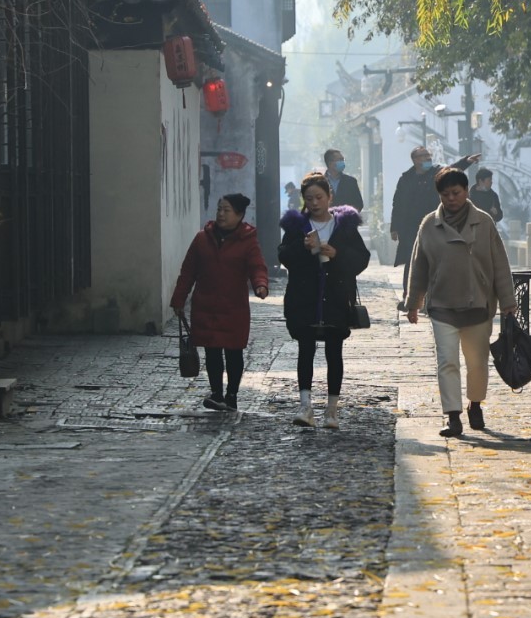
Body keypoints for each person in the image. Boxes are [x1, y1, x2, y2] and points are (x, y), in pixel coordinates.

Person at [404, 167, 518, 438]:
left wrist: (508, 302)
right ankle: (452, 416)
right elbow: (418, 265)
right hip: (442, 305)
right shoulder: (429, 225)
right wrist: (413, 302)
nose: (451, 199)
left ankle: (475, 404)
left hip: (478, 305)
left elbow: (499, 264)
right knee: (447, 362)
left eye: (456, 193)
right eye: (445, 194)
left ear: (466, 192)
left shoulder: (484, 222)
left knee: (477, 362)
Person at [279, 172, 371, 429]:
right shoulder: (297, 226)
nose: (315, 203)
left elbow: (361, 258)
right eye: (309, 199)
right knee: (305, 349)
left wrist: (337, 253)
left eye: (319, 197)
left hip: (336, 297)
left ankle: (332, 410)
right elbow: (284, 255)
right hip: (304, 297)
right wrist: (304, 249)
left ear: (330, 197)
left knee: (334, 351)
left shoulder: (344, 226)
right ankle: (305, 405)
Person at [169, 193, 270, 411]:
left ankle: (231, 394)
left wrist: (260, 284)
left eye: (227, 210)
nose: (221, 214)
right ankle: (216, 393)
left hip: (234, 307)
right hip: (206, 305)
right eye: (219, 209)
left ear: (239, 215)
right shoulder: (202, 239)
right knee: (212, 351)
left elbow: (257, 266)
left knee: (234, 352)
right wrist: (179, 299)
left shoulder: (248, 241)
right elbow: (188, 272)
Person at [391, 146, 481, 305]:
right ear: (415, 160)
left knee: (436, 259)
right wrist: (395, 227)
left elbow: (453, 169)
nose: (428, 158)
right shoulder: (406, 178)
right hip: (411, 226)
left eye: (428, 155)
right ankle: (409, 297)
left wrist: (466, 161)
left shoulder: (437, 172)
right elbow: (397, 203)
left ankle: (434, 297)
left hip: (436, 222)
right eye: (423, 156)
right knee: (413, 260)